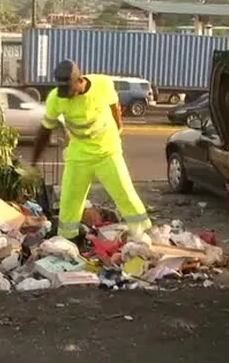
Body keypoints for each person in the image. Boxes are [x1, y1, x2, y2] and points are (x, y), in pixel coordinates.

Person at [31, 60, 151, 241]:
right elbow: (45, 131)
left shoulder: (102, 84)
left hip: (107, 151)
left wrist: (118, 130)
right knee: (69, 201)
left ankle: (143, 233)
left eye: (69, 90)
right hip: (79, 154)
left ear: (79, 80)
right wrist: (34, 161)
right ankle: (66, 240)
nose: (67, 96)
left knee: (125, 194)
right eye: (63, 91)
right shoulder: (56, 98)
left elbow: (115, 108)